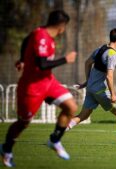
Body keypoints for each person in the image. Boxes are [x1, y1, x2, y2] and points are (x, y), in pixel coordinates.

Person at [0, 10, 78, 167]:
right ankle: (6, 149)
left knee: (71, 107)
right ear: (62, 26)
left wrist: (22, 59)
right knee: (23, 123)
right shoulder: (42, 37)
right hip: (31, 87)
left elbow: (25, 41)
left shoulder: (40, 33)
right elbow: (42, 64)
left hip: (48, 82)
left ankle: (54, 141)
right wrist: (65, 59)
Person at [67, 28, 116, 147]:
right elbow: (109, 76)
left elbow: (87, 63)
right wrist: (113, 94)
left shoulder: (100, 49)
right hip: (102, 91)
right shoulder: (113, 55)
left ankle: (61, 129)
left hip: (91, 89)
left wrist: (88, 81)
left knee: (83, 115)